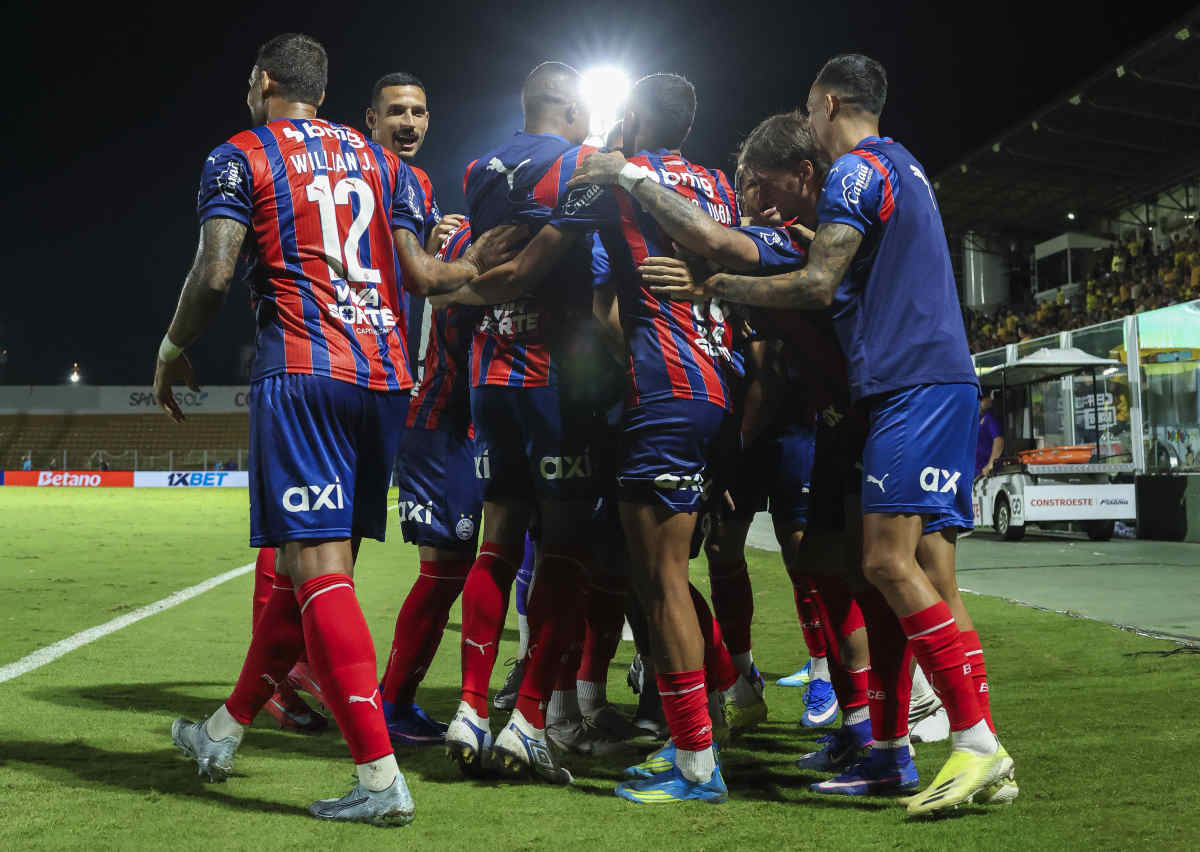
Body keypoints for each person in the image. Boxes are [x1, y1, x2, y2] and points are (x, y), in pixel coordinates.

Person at [153, 33, 519, 825]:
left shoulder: (240, 155)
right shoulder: (387, 165)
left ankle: (380, 780)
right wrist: (482, 264)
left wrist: (172, 349)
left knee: (318, 570)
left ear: (264, 81)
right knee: (305, 574)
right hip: (385, 378)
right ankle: (223, 731)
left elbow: (215, 273)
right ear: (322, 92)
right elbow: (423, 276)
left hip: (305, 372)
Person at [633, 54, 1015, 813]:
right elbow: (785, 257)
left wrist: (708, 285)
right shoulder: (902, 168)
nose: (807, 125)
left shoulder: (855, 171)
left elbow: (816, 283)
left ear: (829, 104)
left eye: (809, 112)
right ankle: (888, 750)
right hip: (889, 392)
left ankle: (976, 741)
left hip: (914, 384)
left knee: (898, 563)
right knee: (867, 571)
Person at [468, 73, 739, 804]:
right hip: (715, 384)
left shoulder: (614, 180)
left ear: (633, 119)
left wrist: (452, 268)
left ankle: (695, 762)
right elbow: (728, 253)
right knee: (661, 576)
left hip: (661, 392)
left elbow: (537, 264)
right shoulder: (716, 187)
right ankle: (697, 727)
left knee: (659, 583)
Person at [442, 61, 602, 786]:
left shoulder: (479, 169)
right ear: (567, 107)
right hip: (553, 379)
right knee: (565, 551)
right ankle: (530, 720)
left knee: (497, 544)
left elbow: (478, 261)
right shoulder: (581, 164)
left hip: (491, 374)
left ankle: (470, 708)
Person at [363, 71, 481, 747]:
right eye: (397, 112)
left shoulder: (424, 193)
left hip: (461, 411)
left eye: (419, 112)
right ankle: (387, 700)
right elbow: (422, 283)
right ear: (371, 119)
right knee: (443, 569)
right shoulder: (380, 182)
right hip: (425, 405)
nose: (409, 123)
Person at [977, 391, 1004, 477]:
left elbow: (999, 441)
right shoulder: (975, 419)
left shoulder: (989, 419)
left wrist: (990, 464)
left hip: (984, 473)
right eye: (987, 398)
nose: (990, 400)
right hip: (974, 471)